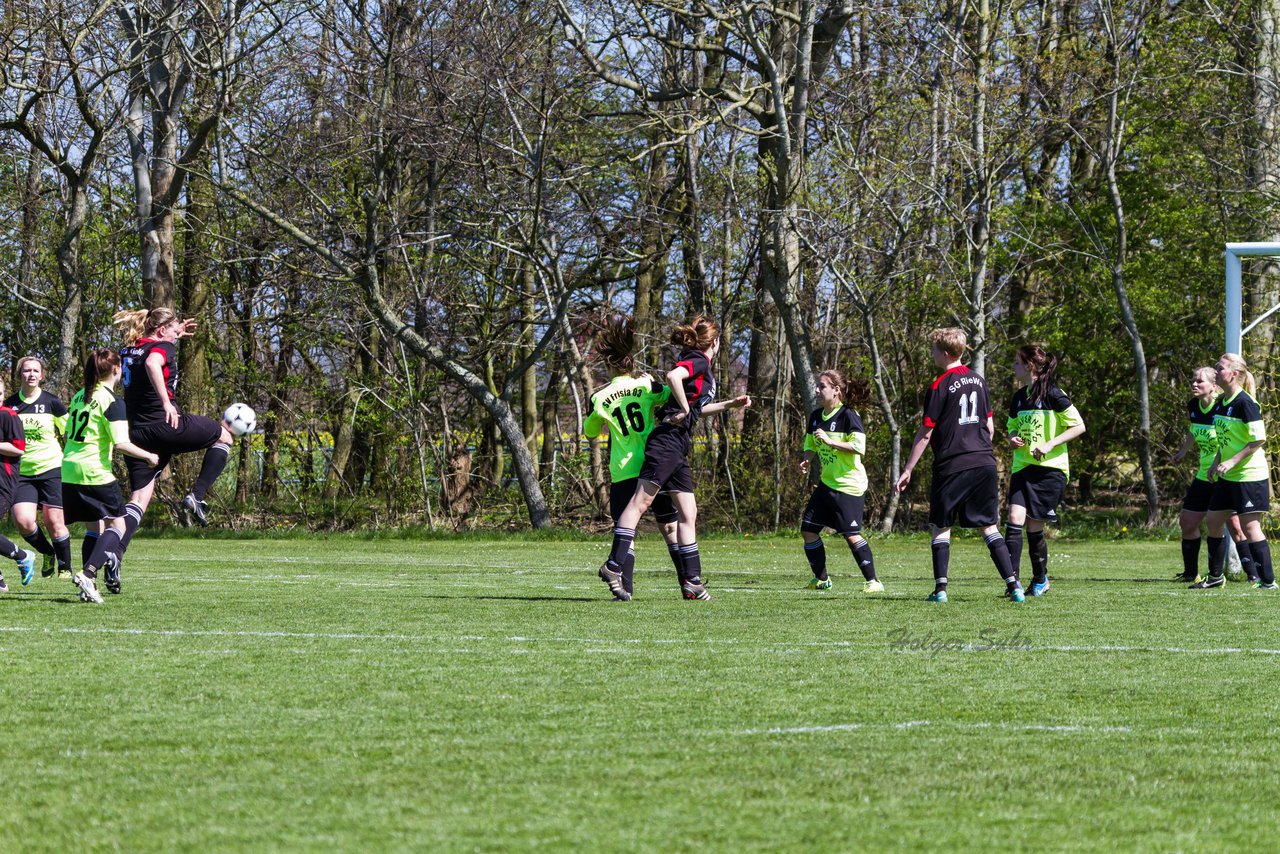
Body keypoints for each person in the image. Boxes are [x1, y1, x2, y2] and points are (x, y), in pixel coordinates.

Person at [598, 315, 750, 601]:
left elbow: (695, 408)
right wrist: (682, 406)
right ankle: (613, 565)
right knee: (640, 503)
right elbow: (673, 378)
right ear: (715, 342)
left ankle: (692, 581)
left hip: (678, 445)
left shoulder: (698, 363)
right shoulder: (699, 360)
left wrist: (729, 404)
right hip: (667, 442)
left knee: (688, 512)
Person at [893, 327, 1022, 604]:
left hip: (952, 465)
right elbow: (989, 425)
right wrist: (979, 448)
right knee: (989, 526)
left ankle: (940, 590)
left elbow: (926, 432)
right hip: (984, 461)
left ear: (945, 353)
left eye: (934, 349)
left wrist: (908, 469)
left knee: (941, 526)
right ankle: (1014, 587)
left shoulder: (939, 386)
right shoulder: (979, 381)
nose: (931, 353)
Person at [114, 307, 236, 547]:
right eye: (174, 327)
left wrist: (176, 331)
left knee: (138, 498)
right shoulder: (162, 348)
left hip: (136, 432)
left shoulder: (129, 349)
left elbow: (147, 352)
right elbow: (152, 362)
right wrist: (166, 402)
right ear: (161, 330)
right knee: (223, 437)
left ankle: (113, 554)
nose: (177, 332)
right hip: (165, 424)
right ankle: (197, 496)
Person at [583, 316, 682, 599]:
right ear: (630, 362)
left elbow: (590, 432)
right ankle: (688, 582)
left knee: (627, 529)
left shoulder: (600, 397)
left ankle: (623, 588)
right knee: (670, 526)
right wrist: (652, 383)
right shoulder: (645, 387)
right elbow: (668, 396)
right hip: (654, 465)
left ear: (610, 365)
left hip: (624, 470)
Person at [63, 350, 161, 603]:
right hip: (94, 470)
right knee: (118, 525)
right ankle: (88, 573)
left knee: (94, 527)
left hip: (69, 469)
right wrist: (148, 456)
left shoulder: (79, 396)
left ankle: (88, 585)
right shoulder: (112, 402)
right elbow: (121, 443)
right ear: (117, 369)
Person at [1004, 345, 1086, 596]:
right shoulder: (1019, 396)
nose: (1014, 367)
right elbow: (1012, 426)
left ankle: (1040, 580)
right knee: (1014, 520)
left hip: (1050, 470)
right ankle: (1013, 583)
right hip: (1022, 466)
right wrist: (1013, 437)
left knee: (1033, 527)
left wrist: (1049, 444)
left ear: (1030, 365)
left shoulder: (1053, 393)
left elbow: (1078, 426)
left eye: (1018, 363)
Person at [1192, 353, 1275, 590]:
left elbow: (1257, 440)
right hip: (1228, 476)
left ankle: (1267, 581)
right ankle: (1216, 576)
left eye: (1220, 368)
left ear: (1234, 374)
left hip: (1249, 475)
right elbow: (1224, 440)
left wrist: (1231, 462)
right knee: (1214, 520)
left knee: (1250, 527)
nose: (1216, 371)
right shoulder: (1220, 403)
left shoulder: (1245, 403)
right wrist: (1216, 462)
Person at [799, 368, 882, 594]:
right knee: (808, 529)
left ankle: (873, 581)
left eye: (822, 386)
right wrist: (807, 460)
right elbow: (810, 445)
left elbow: (858, 447)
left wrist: (829, 441)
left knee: (851, 535)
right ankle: (822, 579)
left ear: (836, 391)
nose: (817, 390)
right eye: (817, 385)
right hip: (827, 484)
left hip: (849, 486)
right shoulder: (816, 416)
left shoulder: (848, 416)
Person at [1172, 367, 1252, 583]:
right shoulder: (1193, 406)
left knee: (1236, 527)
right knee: (1188, 522)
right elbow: (1193, 429)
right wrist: (1183, 450)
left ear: (1214, 386)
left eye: (1200, 381)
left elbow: (1233, 437)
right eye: (1193, 380)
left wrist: (1225, 463)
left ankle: (1253, 575)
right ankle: (1191, 574)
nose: (1194, 384)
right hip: (1203, 475)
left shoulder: (1222, 407)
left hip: (1225, 475)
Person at [4, 356, 72, 579]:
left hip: (51, 467)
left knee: (54, 521)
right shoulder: (9, 405)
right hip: (21, 473)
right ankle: (47, 552)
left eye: (36, 371)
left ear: (42, 375)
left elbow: (70, 434)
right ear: (19, 374)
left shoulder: (53, 403)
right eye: (26, 371)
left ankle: (65, 567)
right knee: (24, 521)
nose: (31, 374)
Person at [0, 375, 38, 591]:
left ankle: (23, 556)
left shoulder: (8, 415)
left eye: (0, 394)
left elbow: (19, 448)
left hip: (3, 483)